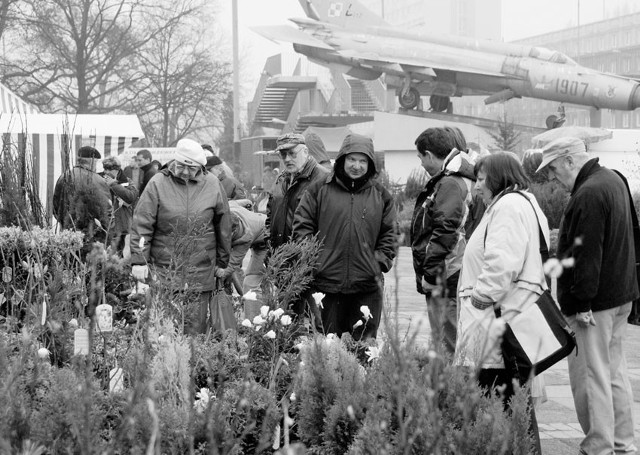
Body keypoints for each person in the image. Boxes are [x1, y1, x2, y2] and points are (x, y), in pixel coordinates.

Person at [536, 136, 638, 455]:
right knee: (614, 374)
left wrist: (581, 302)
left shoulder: (589, 192)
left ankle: (598, 446)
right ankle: (622, 443)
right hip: (620, 296)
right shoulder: (613, 178)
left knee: (591, 378)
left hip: (594, 305)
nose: (552, 177)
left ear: (569, 160)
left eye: (553, 168)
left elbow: (586, 253)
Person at [455, 152, 547, 454]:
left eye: (482, 179)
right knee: (515, 407)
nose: (477, 186)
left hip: (497, 327)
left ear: (498, 177)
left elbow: (501, 264)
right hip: (512, 323)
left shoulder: (507, 207)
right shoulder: (525, 203)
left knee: (501, 405)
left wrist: (480, 297)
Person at [293, 133, 396, 340]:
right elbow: (302, 226)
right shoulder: (319, 189)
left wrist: (378, 262)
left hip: (366, 285)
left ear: (370, 164)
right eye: (351, 159)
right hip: (326, 284)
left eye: (362, 161)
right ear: (341, 159)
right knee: (326, 346)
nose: (356, 166)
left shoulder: (381, 195)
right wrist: (314, 260)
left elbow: (390, 233)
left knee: (364, 346)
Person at [129, 138, 231, 334]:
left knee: (194, 329)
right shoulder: (158, 183)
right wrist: (139, 260)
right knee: (163, 327)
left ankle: (191, 363)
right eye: (181, 165)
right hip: (164, 268)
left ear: (201, 168)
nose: (184, 171)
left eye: (190, 167)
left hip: (200, 270)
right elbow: (142, 223)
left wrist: (222, 261)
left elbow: (223, 226)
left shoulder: (212, 184)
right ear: (174, 161)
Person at [410, 127, 477, 356]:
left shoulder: (449, 183)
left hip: (446, 277)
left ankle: (451, 389)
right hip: (449, 274)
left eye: (421, 157)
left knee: (448, 344)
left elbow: (445, 230)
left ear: (429, 154)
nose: (421, 164)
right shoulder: (454, 179)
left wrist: (431, 274)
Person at [52, 146, 111, 258]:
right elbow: (106, 213)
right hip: (92, 238)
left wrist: (66, 223)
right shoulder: (98, 180)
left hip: (67, 235)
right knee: (88, 272)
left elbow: (56, 208)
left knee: (68, 269)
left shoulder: (63, 177)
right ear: (92, 161)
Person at [216, 201, 268, 295]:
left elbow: (233, 262)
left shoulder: (245, 237)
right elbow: (241, 202)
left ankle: (252, 301)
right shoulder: (229, 208)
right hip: (256, 222)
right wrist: (248, 203)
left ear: (234, 231)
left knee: (251, 282)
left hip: (265, 242)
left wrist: (218, 275)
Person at [100, 156, 139, 256]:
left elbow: (131, 197)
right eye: (105, 168)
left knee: (117, 256)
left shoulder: (127, 181)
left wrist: (114, 185)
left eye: (110, 169)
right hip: (104, 224)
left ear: (117, 169)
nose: (106, 172)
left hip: (120, 224)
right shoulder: (99, 178)